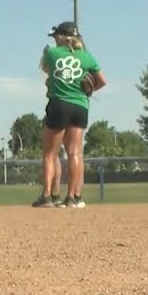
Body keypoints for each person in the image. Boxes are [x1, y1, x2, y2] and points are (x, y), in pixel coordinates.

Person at [35, 21, 106, 208]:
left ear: (60, 37)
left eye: (56, 36)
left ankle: (47, 196)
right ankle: (72, 198)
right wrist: (89, 90)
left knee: (50, 154)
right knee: (74, 152)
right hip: (80, 105)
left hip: (59, 103)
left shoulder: (52, 52)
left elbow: (45, 70)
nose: (54, 40)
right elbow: (102, 81)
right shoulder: (87, 57)